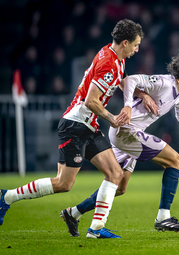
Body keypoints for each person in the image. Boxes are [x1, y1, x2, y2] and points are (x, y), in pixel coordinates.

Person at [0, 19, 144, 239]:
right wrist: (111, 118)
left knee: (115, 174)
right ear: (124, 42)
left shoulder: (115, 58)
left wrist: (139, 93)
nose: (137, 49)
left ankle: (95, 230)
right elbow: (90, 101)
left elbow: (118, 81)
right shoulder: (108, 63)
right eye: (135, 44)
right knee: (63, 183)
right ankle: (7, 197)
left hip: (88, 126)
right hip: (76, 125)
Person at [60, 51, 179, 237]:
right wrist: (128, 105)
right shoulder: (164, 82)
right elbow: (129, 80)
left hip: (130, 133)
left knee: (119, 187)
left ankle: (73, 213)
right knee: (176, 161)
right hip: (126, 131)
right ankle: (163, 217)